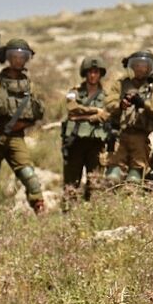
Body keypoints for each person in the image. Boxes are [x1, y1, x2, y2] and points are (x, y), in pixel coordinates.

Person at [0, 38, 46, 212]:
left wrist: (25, 122)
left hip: (16, 137)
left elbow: (39, 109)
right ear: (7, 57)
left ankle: (40, 208)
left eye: (22, 57)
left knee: (29, 175)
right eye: (15, 56)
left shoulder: (29, 85)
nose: (18, 60)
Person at [104, 50, 153, 183]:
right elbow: (109, 103)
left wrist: (144, 104)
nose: (140, 69)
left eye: (144, 66)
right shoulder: (120, 84)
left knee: (135, 177)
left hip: (141, 136)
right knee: (112, 176)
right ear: (132, 67)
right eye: (137, 65)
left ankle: (133, 200)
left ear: (150, 68)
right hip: (120, 135)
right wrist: (121, 105)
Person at [61, 56, 111, 208]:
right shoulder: (74, 92)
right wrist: (95, 112)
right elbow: (72, 109)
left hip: (96, 142)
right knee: (71, 183)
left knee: (95, 182)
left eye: (96, 72)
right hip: (75, 141)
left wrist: (81, 116)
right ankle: (69, 215)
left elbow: (107, 114)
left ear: (100, 73)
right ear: (85, 73)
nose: (93, 75)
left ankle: (92, 214)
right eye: (90, 72)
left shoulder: (107, 96)